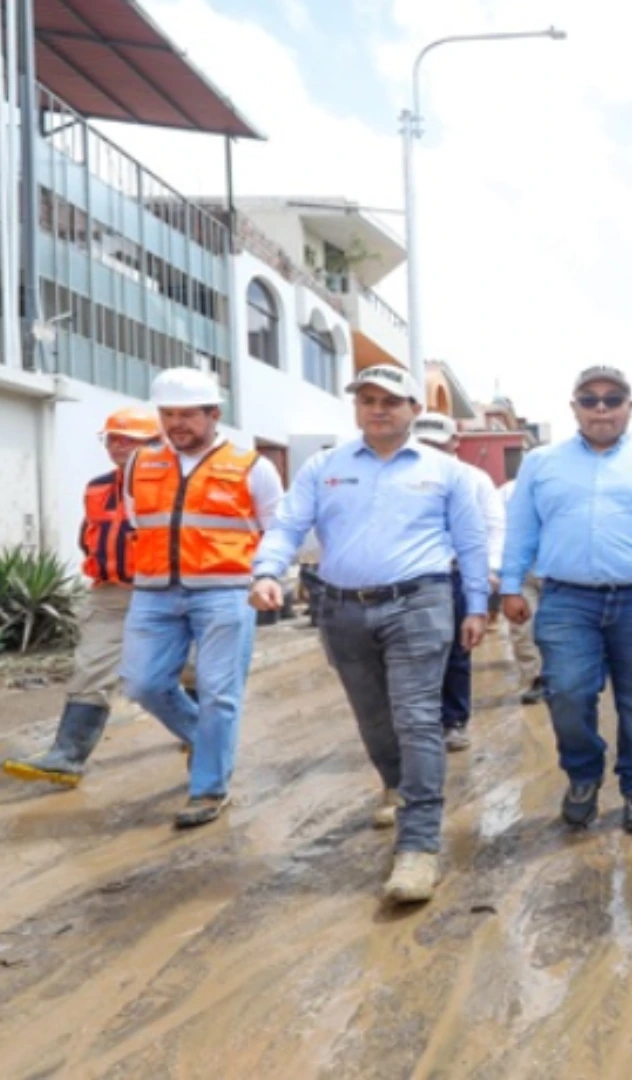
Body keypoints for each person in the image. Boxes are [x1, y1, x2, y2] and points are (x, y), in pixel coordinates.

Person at [250, 365, 488, 904]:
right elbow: (287, 524)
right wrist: (267, 571)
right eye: (368, 400)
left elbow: (470, 545)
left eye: (390, 401)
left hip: (420, 603)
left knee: (417, 716)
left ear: (413, 410)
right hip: (342, 610)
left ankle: (419, 848)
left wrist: (476, 606)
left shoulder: (446, 472)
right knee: (374, 719)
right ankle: (397, 783)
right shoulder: (323, 468)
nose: (378, 409)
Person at [501, 365, 632, 833]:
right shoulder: (542, 462)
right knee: (567, 693)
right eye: (589, 399)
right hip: (566, 600)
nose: (601, 408)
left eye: (612, 399)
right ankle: (582, 775)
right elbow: (522, 528)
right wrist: (510, 584)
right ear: (573, 406)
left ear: (629, 407)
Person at [121, 368, 283, 828]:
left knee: (219, 693)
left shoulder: (253, 467)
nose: (176, 424)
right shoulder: (141, 463)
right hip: (153, 592)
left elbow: (277, 529)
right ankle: (204, 737)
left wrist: (266, 577)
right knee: (142, 684)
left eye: (188, 414)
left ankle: (208, 789)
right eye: (167, 413)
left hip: (226, 592)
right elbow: (139, 520)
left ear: (214, 413)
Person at [3, 408, 162, 787]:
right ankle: (67, 756)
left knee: (180, 669)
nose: (117, 445)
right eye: (112, 438)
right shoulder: (97, 487)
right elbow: (88, 535)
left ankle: (202, 737)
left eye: (128, 438)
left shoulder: (171, 486)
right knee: (92, 668)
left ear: (154, 444)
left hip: (163, 593)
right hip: (110, 594)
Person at [413, 411, 505, 751]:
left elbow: (494, 525)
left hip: (455, 574)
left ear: (455, 443)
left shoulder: (475, 479)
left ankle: (452, 721)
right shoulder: (398, 476)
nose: (431, 450)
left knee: (455, 650)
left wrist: (491, 569)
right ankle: (417, 723)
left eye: (438, 443)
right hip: (412, 576)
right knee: (411, 653)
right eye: (423, 443)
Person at [498, 475, 544, 705]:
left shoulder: (565, 485)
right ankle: (535, 678)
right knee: (523, 628)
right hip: (521, 571)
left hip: (558, 570)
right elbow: (497, 529)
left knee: (563, 627)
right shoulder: (507, 492)